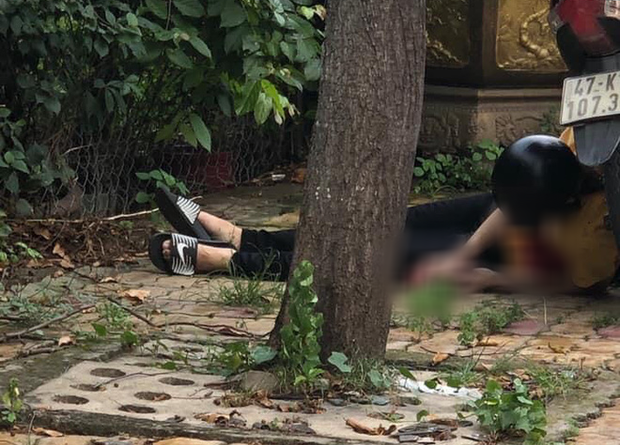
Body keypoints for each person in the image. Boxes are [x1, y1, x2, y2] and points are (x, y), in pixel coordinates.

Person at [148, 130, 620, 294]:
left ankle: (229, 262)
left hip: (507, 259)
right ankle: (241, 236)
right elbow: (510, 205)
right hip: (491, 216)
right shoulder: (591, 137)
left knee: (378, 256)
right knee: (389, 226)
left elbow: (570, 283)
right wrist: (464, 253)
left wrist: (486, 276)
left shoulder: (599, 239)